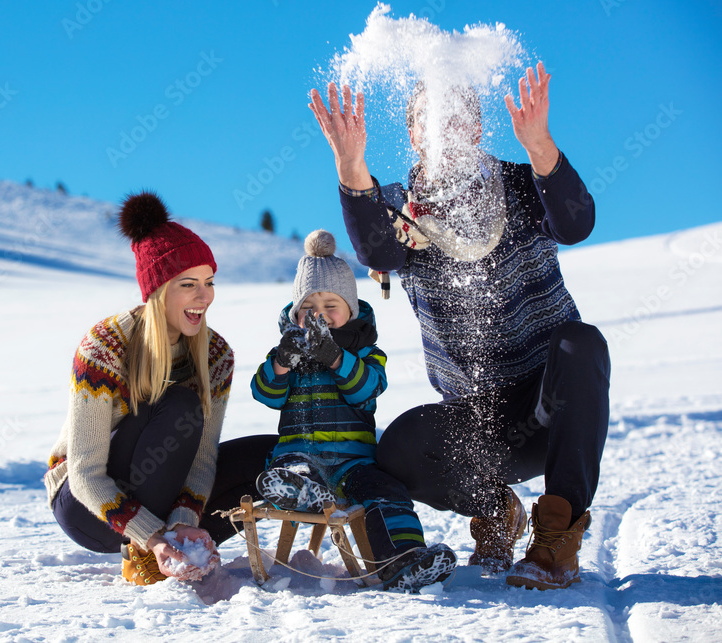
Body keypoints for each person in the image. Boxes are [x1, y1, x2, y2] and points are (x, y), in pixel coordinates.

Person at [308, 62, 611, 590]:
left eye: (458, 120)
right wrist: (351, 166)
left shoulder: (520, 183)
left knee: (582, 345)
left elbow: (576, 223)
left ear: (476, 130)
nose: (446, 132)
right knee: (400, 446)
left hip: (550, 408)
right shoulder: (400, 210)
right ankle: (496, 512)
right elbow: (375, 248)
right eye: (432, 121)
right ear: (414, 135)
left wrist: (541, 146)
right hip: (476, 426)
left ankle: (555, 540)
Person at [45, 191, 245, 586]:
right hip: (86, 507)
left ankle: (182, 541)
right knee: (180, 404)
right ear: (158, 291)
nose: (204, 296)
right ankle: (149, 551)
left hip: (161, 497)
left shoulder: (215, 355)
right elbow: (85, 473)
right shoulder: (105, 346)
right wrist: (150, 536)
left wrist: (184, 520)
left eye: (209, 282)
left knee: (268, 458)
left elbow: (202, 461)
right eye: (188, 284)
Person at [250, 229, 456, 592]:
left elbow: (367, 389)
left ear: (351, 310)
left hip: (352, 462)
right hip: (300, 455)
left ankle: (403, 558)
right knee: (296, 468)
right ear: (296, 314)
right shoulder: (287, 355)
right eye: (309, 309)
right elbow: (264, 394)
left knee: (385, 492)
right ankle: (298, 488)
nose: (321, 316)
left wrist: (334, 358)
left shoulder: (365, 354)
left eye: (331, 307)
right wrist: (281, 362)